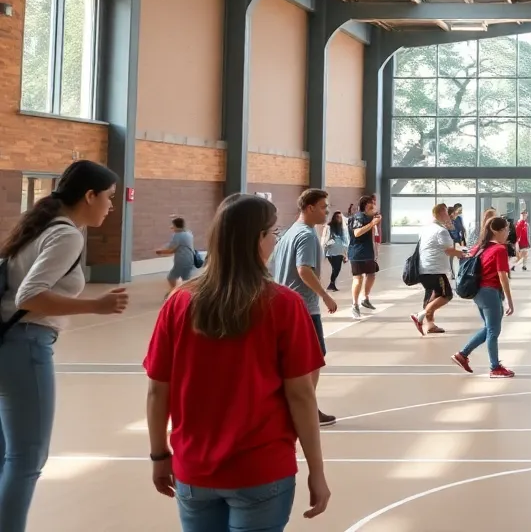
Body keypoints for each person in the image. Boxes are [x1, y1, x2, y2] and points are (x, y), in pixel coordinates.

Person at [144, 194, 329, 531]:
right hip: (261, 470)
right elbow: (301, 395)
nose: (276, 239)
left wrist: (159, 455)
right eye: (273, 232)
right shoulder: (285, 305)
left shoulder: (179, 303)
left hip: (194, 470)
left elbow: (158, 391)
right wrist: (317, 470)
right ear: (257, 238)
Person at [0, 160, 128, 531]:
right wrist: (95, 306)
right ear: (90, 196)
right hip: (25, 345)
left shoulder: (42, 227)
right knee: (26, 459)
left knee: (8, 455)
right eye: (109, 197)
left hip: (9, 344)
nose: (111, 206)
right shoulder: (67, 234)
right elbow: (29, 296)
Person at [269, 189, 337, 426]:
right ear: (309, 208)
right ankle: (306, 408)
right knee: (314, 357)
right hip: (303, 307)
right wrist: (325, 296)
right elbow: (303, 269)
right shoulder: (307, 235)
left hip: (285, 304)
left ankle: (291, 405)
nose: (326, 211)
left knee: (298, 359)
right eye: (323, 207)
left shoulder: (289, 233)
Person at [451, 217, 516, 378]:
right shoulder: (500, 249)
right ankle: (495, 367)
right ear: (497, 231)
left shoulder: (479, 247)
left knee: (489, 328)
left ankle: (463, 354)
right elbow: (503, 276)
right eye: (506, 230)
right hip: (490, 292)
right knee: (494, 331)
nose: (508, 233)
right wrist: (509, 300)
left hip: (478, 292)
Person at [411, 204, 465, 337]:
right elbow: (449, 250)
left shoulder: (427, 229)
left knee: (432, 296)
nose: (450, 215)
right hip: (435, 269)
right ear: (441, 214)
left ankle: (430, 325)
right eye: (447, 213)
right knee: (446, 295)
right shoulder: (441, 231)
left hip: (424, 269)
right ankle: (420, 315)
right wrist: (462, 254)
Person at [347, 195, 382, 319]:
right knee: (358, 279)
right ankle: (355, 305)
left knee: (371, 275)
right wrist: (372, 223)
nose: (373, 205)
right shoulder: (358, 217)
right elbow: (357, 233)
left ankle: (365, 298)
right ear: (364, 204)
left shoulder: (370, 217)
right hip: (357, 253)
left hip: (369, 252)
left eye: (374, 202)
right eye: (370, 203)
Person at [156, 216, 197, 298]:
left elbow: (171, 249)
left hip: (181, 260)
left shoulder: (177, 235)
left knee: (171, 277)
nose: (171, 227)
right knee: (186, 279)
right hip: (190, 259)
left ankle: (174, 293)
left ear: (176, 226)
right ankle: (188, 295)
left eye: (173, 225)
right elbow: (173, 244)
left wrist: (160, 251)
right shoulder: (189, 233)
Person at [319, 211, 348, 293]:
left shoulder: (342, 228)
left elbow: (344, 242)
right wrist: (332, 242)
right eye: (337, 217)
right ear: (334, 218)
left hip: (340, 251)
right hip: (331, 252)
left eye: (340, 217)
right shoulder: (329, 227)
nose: (339, 219)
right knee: (335, 268)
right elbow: (325, 240)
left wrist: (345, 254)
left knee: (337, 269)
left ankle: (332, 284)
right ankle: (332, 284)